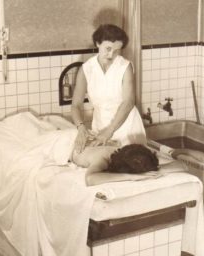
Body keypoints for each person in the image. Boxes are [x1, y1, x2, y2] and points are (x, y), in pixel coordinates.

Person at [71, 24, 146, 154]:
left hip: (127, 128)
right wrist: (81, 128)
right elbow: (76, 104)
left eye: (117, 50)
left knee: (131, 167)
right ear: (98, 43)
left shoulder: (125, 67)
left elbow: (128, 103)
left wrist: (110, 131)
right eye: (108, 48)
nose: (111, 54)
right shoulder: (86, 69)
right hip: (100, 127)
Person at [72, 143, 187, 186]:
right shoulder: (102, 158)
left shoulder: (137, 153)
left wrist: (157, 170)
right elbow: (90, 179)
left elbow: (182, 165)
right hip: (68, 146)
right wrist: (132, 176)